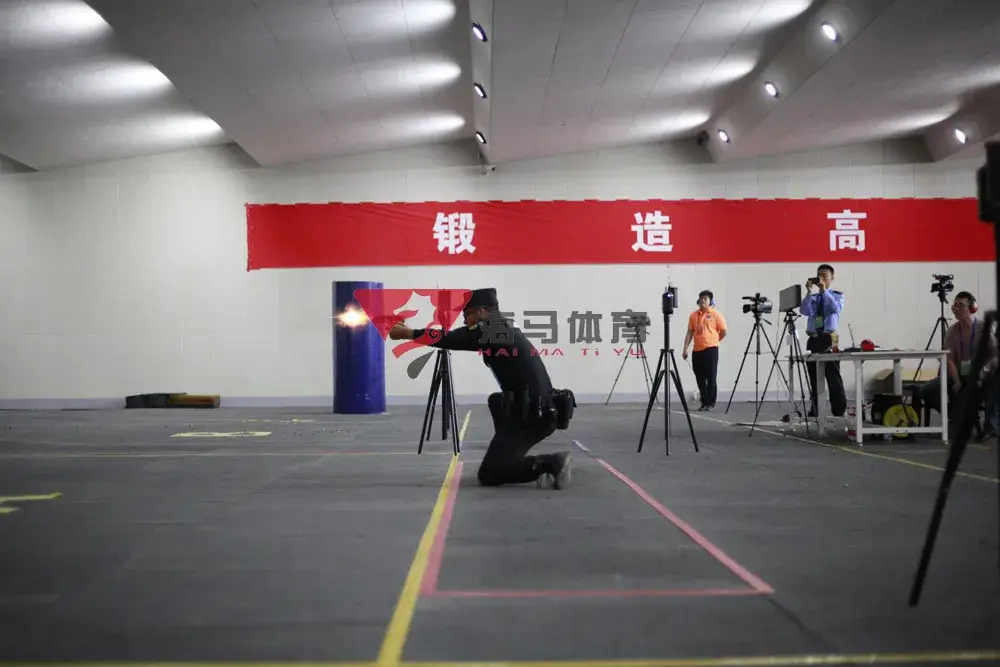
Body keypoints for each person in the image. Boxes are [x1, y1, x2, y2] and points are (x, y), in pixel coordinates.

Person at [388, 288, 573, 489]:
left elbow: (451, 339)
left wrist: (408, 333)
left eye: (468, 315)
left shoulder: (494, 331)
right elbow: (459, 336)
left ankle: (551, 463)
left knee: (489, 474)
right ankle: (506, 449)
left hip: (534, 416)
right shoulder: (505, 327)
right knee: (496, 401)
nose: (465, 321)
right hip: (537, 408)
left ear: (482, 312)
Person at [918, 290, 999, 440]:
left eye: (960, 305)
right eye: (954, 305)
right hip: (959, 373)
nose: (956, 309)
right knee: (927, 390)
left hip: (980, 372)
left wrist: (982, 370)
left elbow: (994, 355)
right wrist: (956, 380)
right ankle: (958, 417)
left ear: (972, 308)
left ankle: (990, 426)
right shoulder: (952, 331)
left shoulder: (984, 328)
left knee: (993, 382)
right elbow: (949, 359)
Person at [800, 264, 847, 417]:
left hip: (829, 338)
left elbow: (835, 308)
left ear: (831, 278)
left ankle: (839, 411)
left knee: (832, 376)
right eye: (819, 275)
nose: (821, 278)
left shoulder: (837, 295)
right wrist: (809, 292)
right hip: (814, 339)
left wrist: (824, 291)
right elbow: (804, 310)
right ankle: (816, 409)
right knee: (814, 377)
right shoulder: (813, 298)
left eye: (824, 275)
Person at [682, 290, 727, 411]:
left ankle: (710, 403)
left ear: (710, 301)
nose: (702, 301)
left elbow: (723, 331)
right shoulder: (693, 315)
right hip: (697, 350)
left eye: (705, 299)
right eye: (701, 298)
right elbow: (689, 333)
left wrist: (715, 340)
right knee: (700, 377)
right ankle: (704, 402)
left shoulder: (716, 315)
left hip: (711, 349)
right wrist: (685, 349)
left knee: (711, 376)